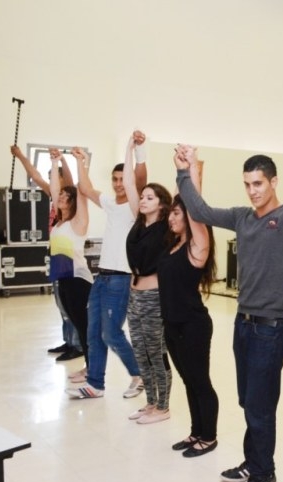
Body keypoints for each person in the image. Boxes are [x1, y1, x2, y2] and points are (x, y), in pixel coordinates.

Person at [176, 141, 283, 482]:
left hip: (272, 327)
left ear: (273, 182)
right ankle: (252, 461)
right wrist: (183, 172)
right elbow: (200, 210)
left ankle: (264, 473)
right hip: (243, 323)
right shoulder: (242, 217)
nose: (252, 191)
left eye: (258, 183)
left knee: (260, 404)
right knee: (248, 399)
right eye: (247, 184)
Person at [67, 132, 145, 399]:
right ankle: (95, 384)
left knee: (111, 334)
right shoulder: (110, 203)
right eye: (115, 179)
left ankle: (139, 374)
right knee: (93, 333)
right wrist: (80, 160)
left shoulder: (135, 206)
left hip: (121, 279)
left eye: (123, 179)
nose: (118, 183)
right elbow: (86, 188)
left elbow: (138, 179)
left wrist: (135, 149)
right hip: (101, 277)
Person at [160, 146, 218, 458]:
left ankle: (208, 437)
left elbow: (196, 209)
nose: (171, 217)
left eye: (176, 212)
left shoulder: (197, 247)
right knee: (188, 380)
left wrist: (190, 170)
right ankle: (196, 432)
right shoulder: (172, 246)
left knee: (200, 381)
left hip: (193, 325)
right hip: (172, 325)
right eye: (170, 212)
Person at [11, 145, 83, 362]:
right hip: (56, 253)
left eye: (54, 175)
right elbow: (35, 175)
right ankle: (68, 340)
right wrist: (20, 155)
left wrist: (62, 160)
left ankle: (77, 345)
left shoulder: (70, 197)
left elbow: (69, 178)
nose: (51, 179)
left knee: (69, 302)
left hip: (69, 256)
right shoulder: (54, 197)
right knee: (60, 302)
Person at [121, 134, 174, 423]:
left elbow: (183, 195)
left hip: (154, 296)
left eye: (149, 197)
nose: (142, 200)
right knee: (140, 352)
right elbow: (130, 183)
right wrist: (130, 148)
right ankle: (150, 402)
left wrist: (184, 165)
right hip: (134, 295)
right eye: (143, 197)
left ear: (162, 205)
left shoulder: (167, 225)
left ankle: (163, 407)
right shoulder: (138, 221)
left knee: (156, 352)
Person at [47, 148, 93, 374]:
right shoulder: (59, 223)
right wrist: (55, 162)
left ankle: (93, 370)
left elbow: (79, 192)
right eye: (61, 196)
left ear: (74, 202)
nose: (61, 197)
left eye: (67, 196)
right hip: (64, 280)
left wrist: (77, 162)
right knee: (77, 322)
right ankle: (90, 367)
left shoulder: (78, 222)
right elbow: (55, 190)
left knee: (84, 326)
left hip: (78, 280)